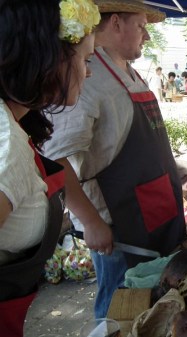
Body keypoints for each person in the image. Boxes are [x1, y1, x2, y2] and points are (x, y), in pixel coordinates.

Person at [43, 0, 187, 319]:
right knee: (119, 310)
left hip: (155, 209)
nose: (146, 36)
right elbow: (53, 158)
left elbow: (126, 138)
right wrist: (92, 222)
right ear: (115, 24)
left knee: (156, 305)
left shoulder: (129, 72)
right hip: (119, 224)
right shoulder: (86, 77)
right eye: (140, 25)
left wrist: (172, 166)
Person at [0, 0, 99, 335]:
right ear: (49, 57)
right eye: (86, 60)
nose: (88, 72)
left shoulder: (16, 124)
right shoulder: (7, 145)